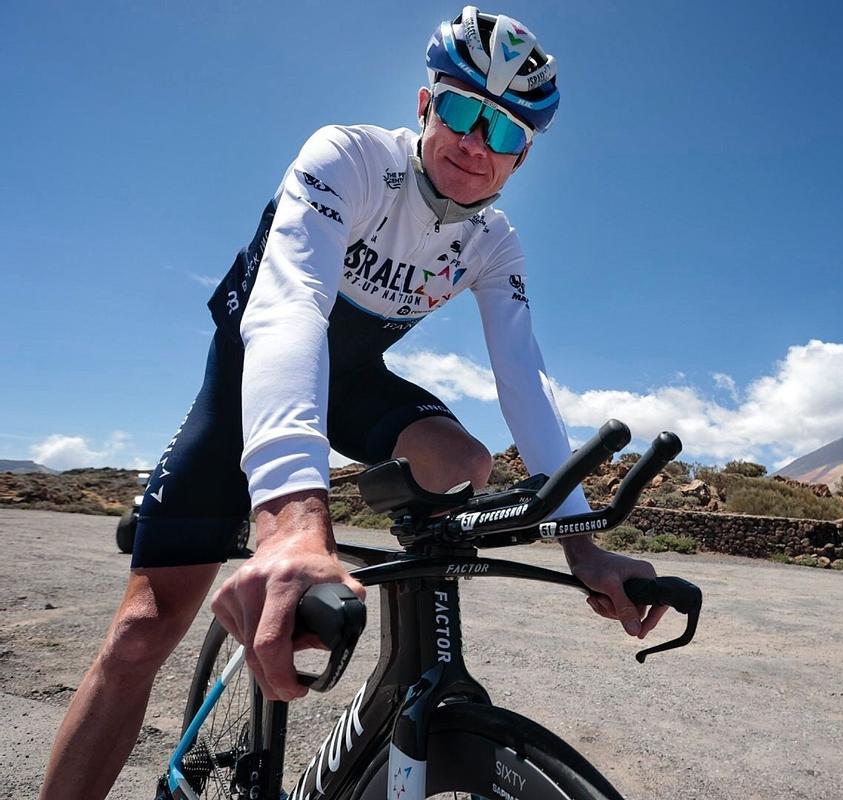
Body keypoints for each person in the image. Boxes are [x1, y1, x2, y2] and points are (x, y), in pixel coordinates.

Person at [39, 8, 667, 798]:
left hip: (355, 384)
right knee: (138, 636)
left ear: (523, 156)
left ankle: (399, 674)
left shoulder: (492, 241)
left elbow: (523, 376)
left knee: (464, 465)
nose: (477, 143)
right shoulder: (349, 158)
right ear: (424, 106)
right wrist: (293, 521)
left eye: (504, 131)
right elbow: (292, 304)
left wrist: (583, 544)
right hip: (248, 379)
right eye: (464, 110)